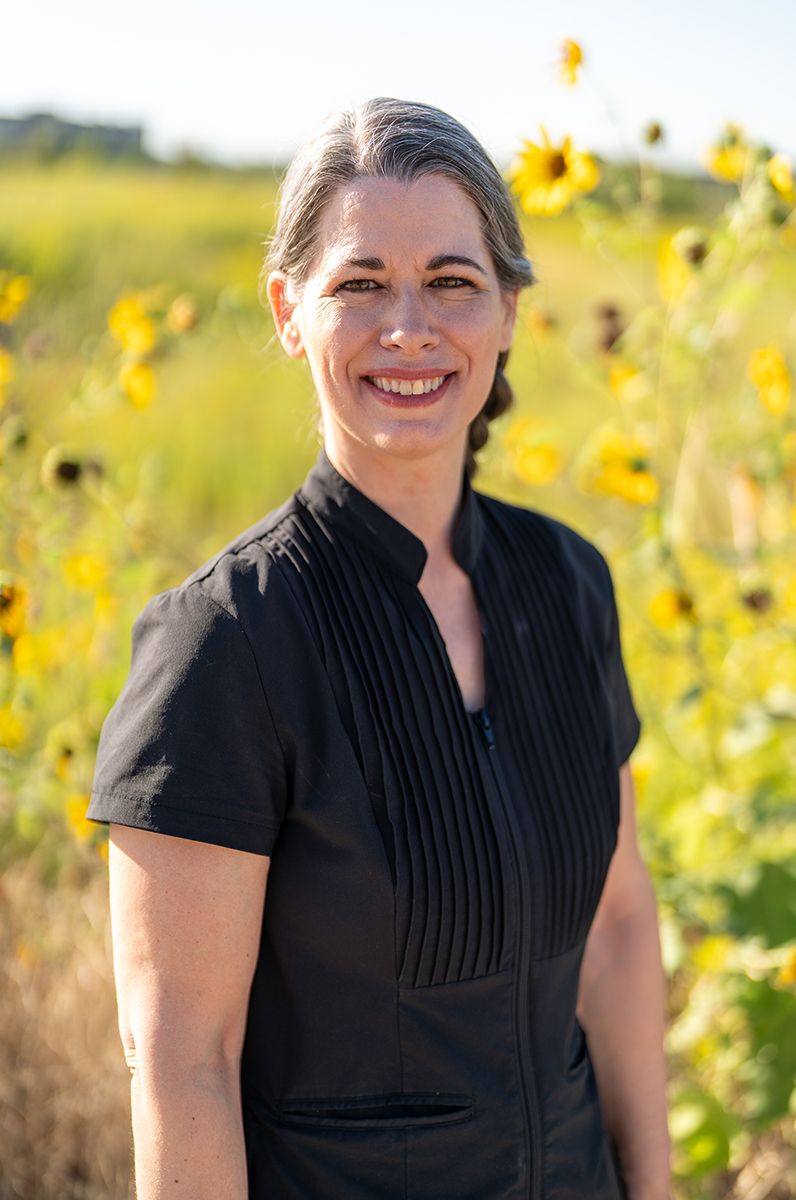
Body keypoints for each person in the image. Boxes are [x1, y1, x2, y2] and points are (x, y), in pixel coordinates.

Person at [89, 98, 671, 1200]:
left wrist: (653, 1186)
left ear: (505, 309)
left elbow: (616, 925)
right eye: (359, 284)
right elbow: (181, 1065)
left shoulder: (566, 585)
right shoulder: (223, 643)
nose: (408, 326)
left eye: (451, 281)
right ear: (289, 312)